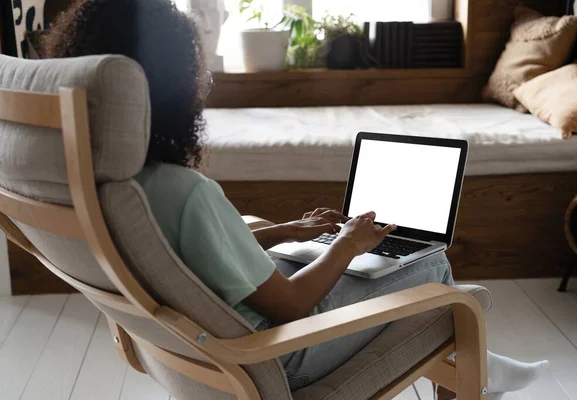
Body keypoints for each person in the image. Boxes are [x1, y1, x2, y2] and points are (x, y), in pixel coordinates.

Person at [42, 1, 548, 398]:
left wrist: (284, 232)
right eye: (196, 69)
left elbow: (188, 255)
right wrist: (346, 243)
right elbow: (288, 306)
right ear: (170, 86)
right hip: (279, 355)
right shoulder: (187, 191)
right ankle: (476, 374)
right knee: (438, 275)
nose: (206, 81)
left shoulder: (116, 185)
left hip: (200, 351)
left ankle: (475, 367)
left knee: (352, 266)